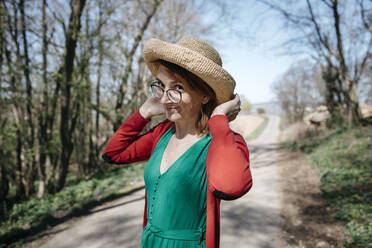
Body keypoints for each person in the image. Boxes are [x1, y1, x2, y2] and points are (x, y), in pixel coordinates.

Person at [102, 36, 252, 248]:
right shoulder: (161, 134)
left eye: (178, 88)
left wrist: (219, 119)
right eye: (162, 87)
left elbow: (231, 187)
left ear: (205, 95)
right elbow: (113, 153)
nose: (164, 99)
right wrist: (143, 113)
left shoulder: (222, 141)